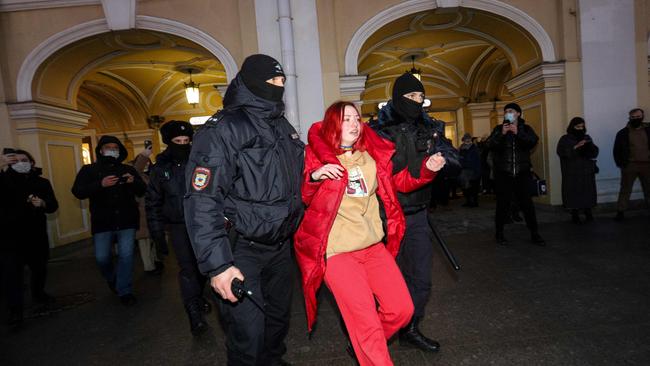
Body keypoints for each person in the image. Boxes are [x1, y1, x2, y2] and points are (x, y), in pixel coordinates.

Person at [294, 101, 446, 365]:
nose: (354, 124)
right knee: (366, 323)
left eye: (357, 118)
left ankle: (364, 341)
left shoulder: (370, 156)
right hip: (337, 252)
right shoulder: (315, 155)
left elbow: (398, 184)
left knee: (401, 310)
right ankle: (368, 344)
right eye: (346, 119)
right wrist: (314, 177)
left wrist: (426, 171)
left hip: (372, 247)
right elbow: (303, 195)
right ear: (333, 124)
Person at [184, 54, 304, 365]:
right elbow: (202, 200)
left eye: (282, 82)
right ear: (251, 83)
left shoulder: (282, 125)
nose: (278, 87)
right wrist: (219, 266)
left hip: (280, 247)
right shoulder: (222, 129)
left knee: (277, 323)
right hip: (241, 249)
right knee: (247, 333)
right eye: (272, 81)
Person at [370, 72, 454, 352]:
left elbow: (453, 157)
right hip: (386, 216)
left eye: (421, 97)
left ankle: (410, 328)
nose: (417, 102)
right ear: (397, 98)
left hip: (418, 214)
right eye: (411, 97)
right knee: (386, 281)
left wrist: (441, 158)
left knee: (421, 278)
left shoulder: (429, 126)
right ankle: (374, 334)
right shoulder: (378, 131)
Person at [146, 120, 211, 336]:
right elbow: (153, 202)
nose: (183, 144)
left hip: (203, 223)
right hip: (178, 226)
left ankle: (199, 296)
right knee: (188, 269)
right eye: (177, 141)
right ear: (168, 142)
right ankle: (193, 312)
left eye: (186, 140)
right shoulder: (160, 168)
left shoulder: (200, 161)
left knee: (203, 267)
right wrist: (157, 234)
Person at [71, 135, 146, 306]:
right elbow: (78, 191)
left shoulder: (128, 169)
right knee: (102, 257)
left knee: (126, 255)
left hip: (126, 219)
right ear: (101, 150)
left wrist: (133, 182)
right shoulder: (88, 170)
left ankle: (125, 291)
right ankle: (113, 279)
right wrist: (100, 184)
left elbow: (142, 190)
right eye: (108, 147)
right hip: (102, 221)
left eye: (115, 147)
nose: (112, 150)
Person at [0, 149, 58, 329]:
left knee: (39, 267)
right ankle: (15, 310)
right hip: (10, 237)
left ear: (32, 162)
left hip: (36, 235)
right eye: (15, 161)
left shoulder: (42, 182)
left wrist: (43, 203)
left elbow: (53, 205)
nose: (20, 163)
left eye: (24, 160)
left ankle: (38, 293)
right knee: (12, 275)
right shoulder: (4, 181)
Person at [486, 103, 545, 246]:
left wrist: (518, 132)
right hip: (504, 173)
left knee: (527, 205)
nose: (507, 113)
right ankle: (499, 234)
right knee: (502, 205)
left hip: (522, 172)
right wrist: (502, 134)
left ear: (518, 113)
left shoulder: (526, 128)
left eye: (511, 111)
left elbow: (532, 142)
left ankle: (535, 233)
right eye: (506, 111)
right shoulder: (499, 129)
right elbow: (489, 145)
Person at [556, 117, 599, 223]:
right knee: (573, 193)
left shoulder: (587, 137)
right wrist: (575, 147)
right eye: (577, 126)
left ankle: (588, 212)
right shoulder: (565, 139)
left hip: (586, 171)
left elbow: (594, 152)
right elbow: (561, 152)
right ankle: (575, 214)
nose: (580, 129)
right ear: (572, 127)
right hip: (572, 171)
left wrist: (589, 146)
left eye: (582, 126)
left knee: (588, 192)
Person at [613, 108, 650, 220]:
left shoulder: (648, 130)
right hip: (630, 165)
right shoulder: (622, 133)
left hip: (647, 165)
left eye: (638, 117)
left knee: (649, 189)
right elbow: (617, 150)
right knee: (625, 189)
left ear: (642, 117)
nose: (636, 119)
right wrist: (621, 164)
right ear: (629, 118)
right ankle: (620, 212)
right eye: (633, 117)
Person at [129, 146, 160, 274]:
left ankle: (154, 260)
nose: (147, 164)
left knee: (153, 239)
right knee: (144, 241)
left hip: (153, 211)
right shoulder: (137, 175)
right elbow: (136, 169)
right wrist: (145, 155)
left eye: (148, 162)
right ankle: (149, 266)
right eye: (144, 162)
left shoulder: (152, 175)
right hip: (141, 212)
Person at [459, 133, 481, 207]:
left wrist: (477, 171)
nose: (467, 140)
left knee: (473, 187)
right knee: (465, 187)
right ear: (464, 140)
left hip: (473, 170)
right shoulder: (461, 149)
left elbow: (477, 160)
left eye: (468, 139)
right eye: (466, 139)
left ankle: (474, 202)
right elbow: (459, 159)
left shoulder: (475, 148)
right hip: (464, 170)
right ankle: (468, 201)